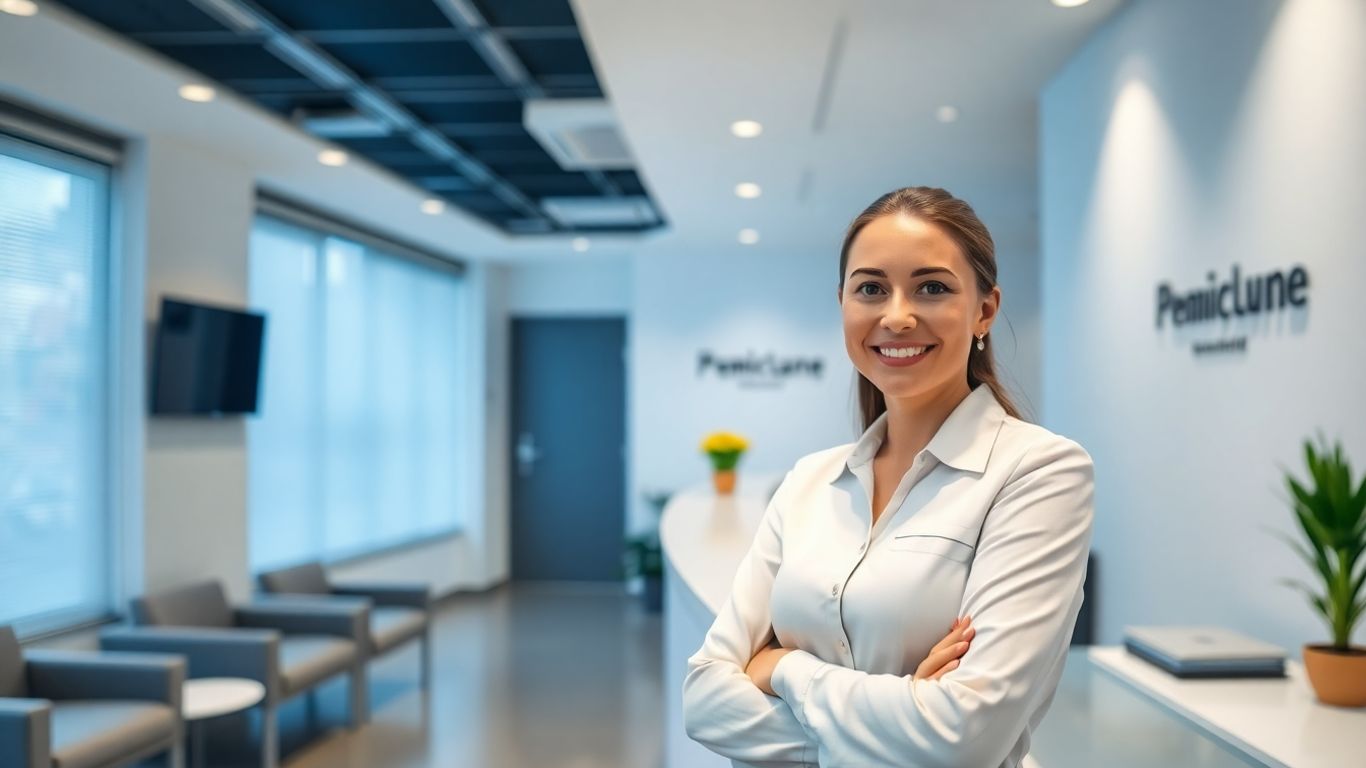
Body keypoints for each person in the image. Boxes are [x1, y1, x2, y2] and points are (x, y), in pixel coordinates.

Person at [681, 187, 1095, 767]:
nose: (897, 316)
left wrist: (784, 669)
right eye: (871, 288)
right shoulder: (808, 481)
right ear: (844, 304)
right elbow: (703, 703)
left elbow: (961, 741)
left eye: (932, 287)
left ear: (985, 310)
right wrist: (903, 714)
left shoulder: (1040, 473)